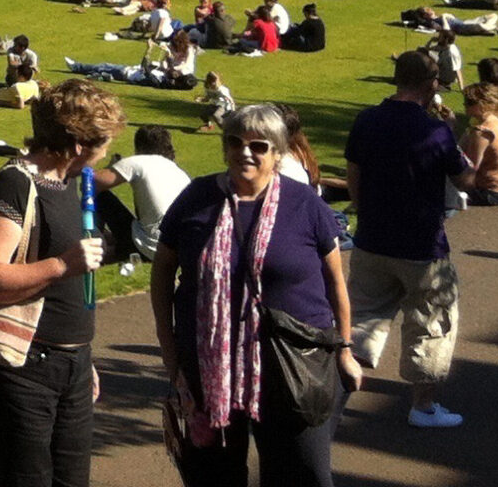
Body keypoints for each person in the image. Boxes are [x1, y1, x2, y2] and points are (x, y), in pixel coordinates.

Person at [151, 102, 361, 487]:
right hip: (208, 365)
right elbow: (162, 271)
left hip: (294, 365)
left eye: (259, 145)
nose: (244, 152)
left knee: (302, 473)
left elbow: (335, 281)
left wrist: (345, 350)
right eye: (235, 141)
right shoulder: (196, 199)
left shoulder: (305, 204)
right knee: (213, 475)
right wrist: (170, 354)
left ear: (278, 154)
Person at [0, 80, 126, 487]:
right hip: (20, 364)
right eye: (102, 141)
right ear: (76, 142)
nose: (106, 151)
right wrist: (61, 264)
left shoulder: (74, 183)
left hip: (72, 363)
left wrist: (81, 360)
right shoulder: (16, 183)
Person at [343, 48, 475, 430]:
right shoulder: (434, 130)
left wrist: (364, 210)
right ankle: (423, 405)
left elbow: (354, 177)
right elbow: (465, 179)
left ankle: (340, 389)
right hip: (422, 246)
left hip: (372, 239)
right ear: (431, 84)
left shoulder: (367, 119)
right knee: (431, 323)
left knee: (364, 318)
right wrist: (458, 137)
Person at [96, 124, 190, 268]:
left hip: (148, 244)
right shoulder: (178, 171)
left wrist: (111, 168)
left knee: (100, 194)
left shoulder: (138, 161)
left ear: (139, 146)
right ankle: (114, 247)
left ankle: (93, 237)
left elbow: (92, 182)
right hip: (174, 248)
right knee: (121, 246)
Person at [457, 83, 498, 205]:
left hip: (493, 192)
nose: (464, 104)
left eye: (469, 102)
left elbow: (469, 167)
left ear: (482, 105)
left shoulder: (482, 132)